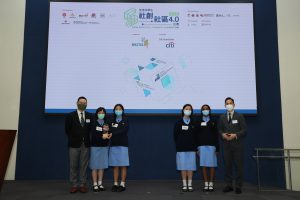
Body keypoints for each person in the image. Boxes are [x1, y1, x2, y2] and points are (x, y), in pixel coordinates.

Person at [218, 97, 247, 194]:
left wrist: (235, 135)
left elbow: (244, 130)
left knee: (238, 166)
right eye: (227, 103)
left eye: (230, 103)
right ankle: (229, 185)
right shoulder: (222, 117)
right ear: (225, 105)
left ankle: (238, 186)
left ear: (234, 105)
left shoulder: (239, 116)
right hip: (226, 145)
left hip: (237, 145)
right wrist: (222, 135)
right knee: (227, 166)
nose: (228, 105)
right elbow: (219, 130)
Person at [65, 96, 92, 193]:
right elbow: (67, 130)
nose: (83, 104)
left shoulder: (90, 116)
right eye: (81, 102)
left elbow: (90, 130)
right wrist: (75, 137)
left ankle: (82, 184)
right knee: (73, 165)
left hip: (86, 144)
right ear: (77, 103)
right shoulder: (70, 116)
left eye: (85, 103)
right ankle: (74, 184)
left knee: (84, 165)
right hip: (74, 144)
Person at [195, 104, 219, 192]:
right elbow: (196, 135)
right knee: (204, 165)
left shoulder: (213, 121)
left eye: (207, 109)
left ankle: (211, 184)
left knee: (212, 165)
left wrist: (217, 148)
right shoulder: (198, 121)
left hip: (212, 146)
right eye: (203, 109)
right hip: (201, 146)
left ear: (209, 110)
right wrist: (196, 147)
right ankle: (206, 184)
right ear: (201, 111)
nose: (205, 110)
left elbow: (216, 135)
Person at [173, 104, 197, 192]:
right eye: (186, 109)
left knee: (190, 167)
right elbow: (175, 136)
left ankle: (190, 185)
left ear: (191, 111)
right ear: (183, 110)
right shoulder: (178, 122)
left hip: (191, 148)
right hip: (181, 148)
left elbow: (196, 136)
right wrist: (180, 144)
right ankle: (184, 184)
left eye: (189, 109)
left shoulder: (194, 123)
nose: (188, 110)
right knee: (183, 167)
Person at [89, 107, 111, 192]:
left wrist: (108, 136)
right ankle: (95, 184)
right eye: (99, 112)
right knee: (94, 166)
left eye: (103, 112)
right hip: (95, 146)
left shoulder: (106, 123)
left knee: (101, 166)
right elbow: (93, 134)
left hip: (104, 147)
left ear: (105, 114)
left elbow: (107, 133)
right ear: (97, 113)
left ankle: (100, 183)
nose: (101, 114)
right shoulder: (93, 122)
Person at [108, 104, 129, 192]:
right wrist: (109, 133)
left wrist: (113, 133)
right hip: (114, 144)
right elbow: (109, 130)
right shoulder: (111, 120)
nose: (118, 110)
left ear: (122, 110)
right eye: (116, 109)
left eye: (120, 109)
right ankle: (115, 183)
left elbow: (124, 130)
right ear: (114, 110)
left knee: (123, 165)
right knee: (115, 165)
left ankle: (122, 184)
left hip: (123, 145)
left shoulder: (126, 119)